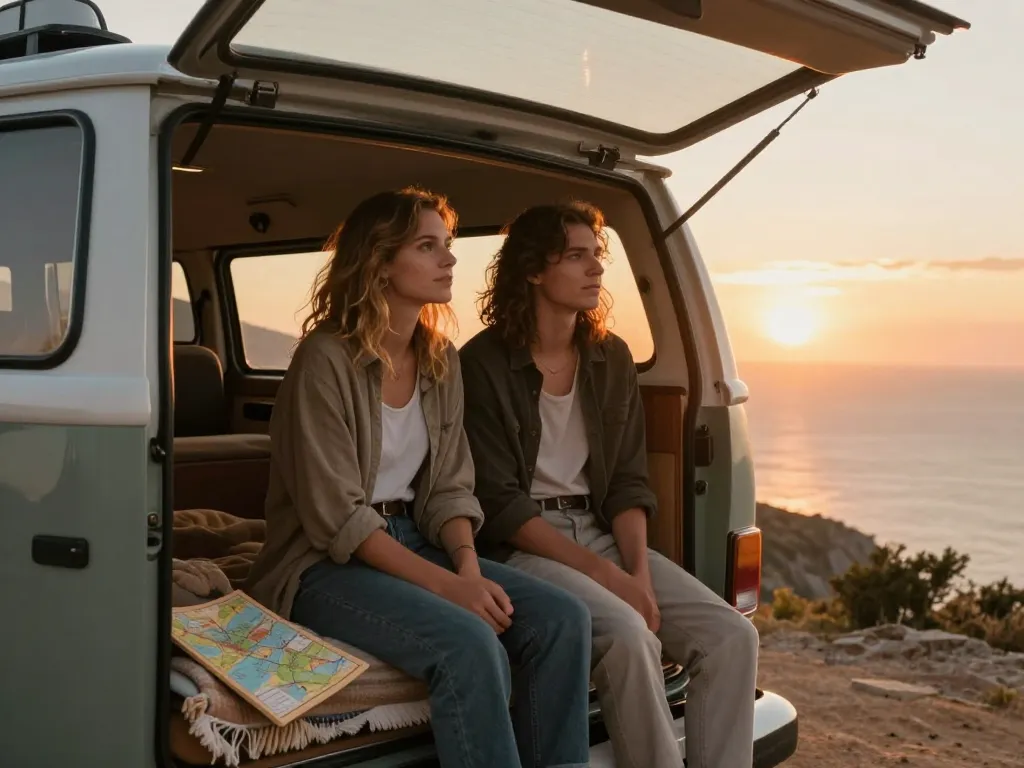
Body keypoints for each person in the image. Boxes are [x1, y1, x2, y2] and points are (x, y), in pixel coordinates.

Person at [244, 188, 593, 768]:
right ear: (380, 263)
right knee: (469, 641)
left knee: (563, 619)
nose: (450, 259)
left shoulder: (439, 357)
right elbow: (338, 518)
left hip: (418, 541)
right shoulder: (324, 360)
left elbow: (451, 487)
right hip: (321, 564)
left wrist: (468, 570)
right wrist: (450, 592)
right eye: (428, 247)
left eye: (447, 245)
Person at [459, 201, 760, 768]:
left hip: (598, 529)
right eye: (576, 256)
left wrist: (638, 572)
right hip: (523, 543)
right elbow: (498, 503)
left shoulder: (609, 356)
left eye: (597, 255)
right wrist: (610, 580)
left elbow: (626, 480)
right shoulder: (482, 363)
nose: (596, 268)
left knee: (730, 637)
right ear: (532, 270)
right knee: (628, 635)